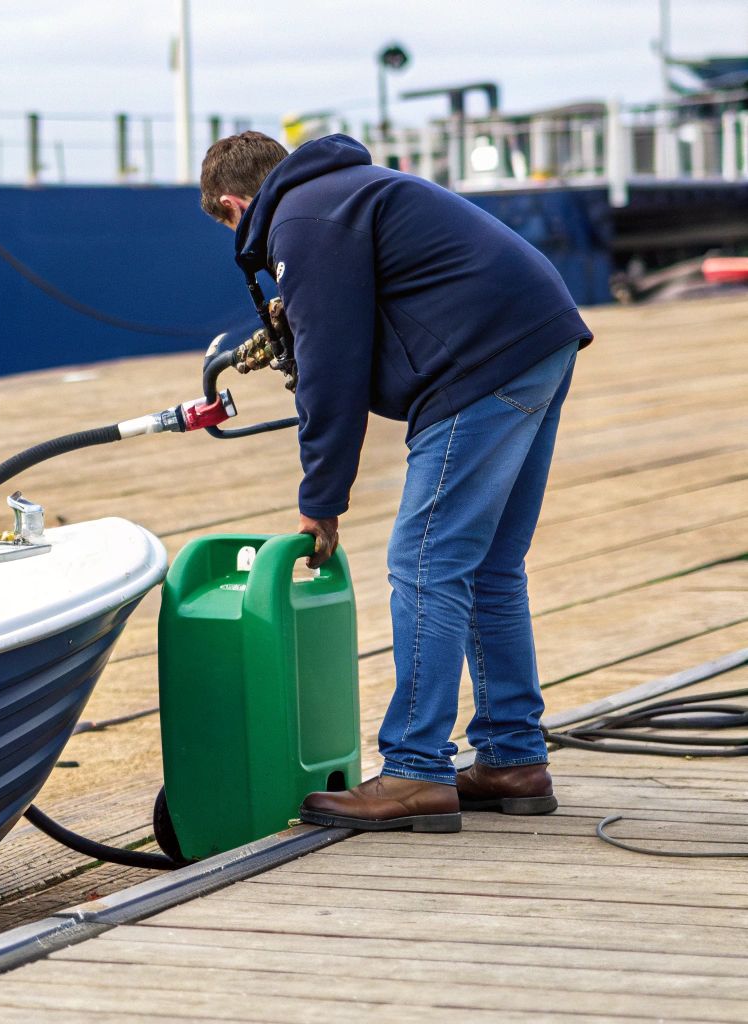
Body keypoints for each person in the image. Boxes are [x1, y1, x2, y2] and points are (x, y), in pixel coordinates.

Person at [200, 132, 593, 833]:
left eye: (232, 224)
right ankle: (512, 759)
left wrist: (320, 502)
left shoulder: (300, 220)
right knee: (492, 566)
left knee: (425, 562)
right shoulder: (343, 193)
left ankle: (415, 769)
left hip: (484, 360)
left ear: (235, 204)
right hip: (538, 338)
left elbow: (333, 366)